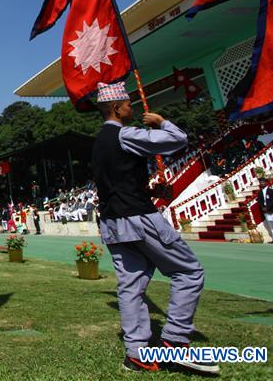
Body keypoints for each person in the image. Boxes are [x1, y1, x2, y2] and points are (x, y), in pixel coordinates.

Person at [92, 82, 218, 375]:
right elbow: (177, 140)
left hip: (112, 220)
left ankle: (136, 353)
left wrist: (149, 191)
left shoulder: (98, 142)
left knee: (131, 285)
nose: (132, 107)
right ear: (116, 107)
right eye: (128, 103)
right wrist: (162, 122)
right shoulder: (125, 134)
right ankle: (174, 342)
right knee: (189, 272)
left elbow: (116, 183)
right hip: (138, 217)